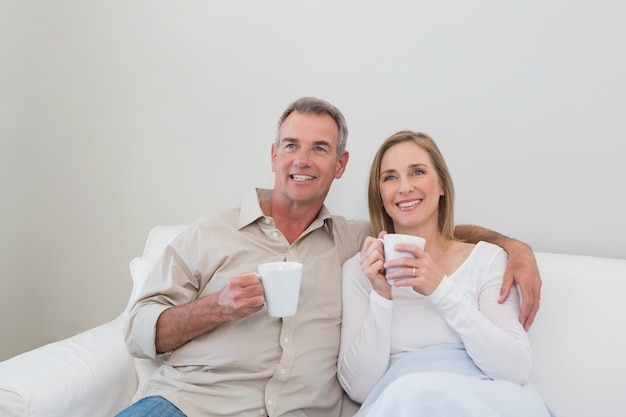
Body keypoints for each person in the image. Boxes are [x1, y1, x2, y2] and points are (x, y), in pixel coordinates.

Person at [118, 98, 542, 417]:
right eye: (291, 145)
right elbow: (137, 332)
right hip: (192, 405)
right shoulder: (210, 233)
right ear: (274, 155)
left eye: (320, 148)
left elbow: (421, 226)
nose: (302, 160)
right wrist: (216, 308)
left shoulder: (355, 241)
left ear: (340, 165)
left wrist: (512, 247)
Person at [338, 131, 552, 416]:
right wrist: (381, 295)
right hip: (404, 403)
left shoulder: (487, 260)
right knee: (409, 393)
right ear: (380, 195)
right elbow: (360, 389)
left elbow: (514, 369)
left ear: (441, 185)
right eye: (390, 177)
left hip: (482, 401)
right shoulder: (360, 270)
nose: (404, 187)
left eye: (417, 172)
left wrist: (440, 288)